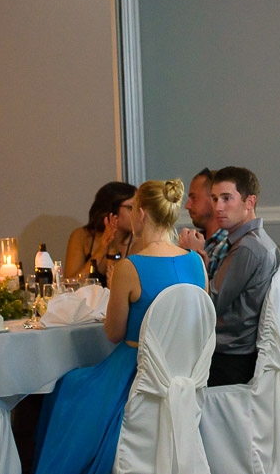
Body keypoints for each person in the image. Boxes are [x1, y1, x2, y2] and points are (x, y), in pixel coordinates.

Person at [33, 179, 208, 474]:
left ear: (141, 214)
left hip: (137, 371)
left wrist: (116, 286)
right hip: (183, 371)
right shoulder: (196, 263)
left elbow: (113, 334)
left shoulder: (131, 267)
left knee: (67, 385)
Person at [208, 166, 280, 387]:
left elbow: (210, 304)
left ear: (250, 202)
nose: (218, 207)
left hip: (229, 358)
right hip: (238, 352)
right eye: (214, 199)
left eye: (226, 198)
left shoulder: (247, 248)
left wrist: (193, 260)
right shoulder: (260, 241)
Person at [64, 182, 140, 286]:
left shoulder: (139, 241)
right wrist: (101, 250)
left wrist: (113, 250)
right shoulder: (82, 236)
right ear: (111, 210)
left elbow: (122, 287)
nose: (137, 214)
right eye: (131, 208)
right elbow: (70, 285)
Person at [178, 168, 229, 278]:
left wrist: (193, 257)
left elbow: (219, 289)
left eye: (194, 198)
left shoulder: (229, 246)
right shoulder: (195, 240)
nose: (187, 206)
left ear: (214, 199)